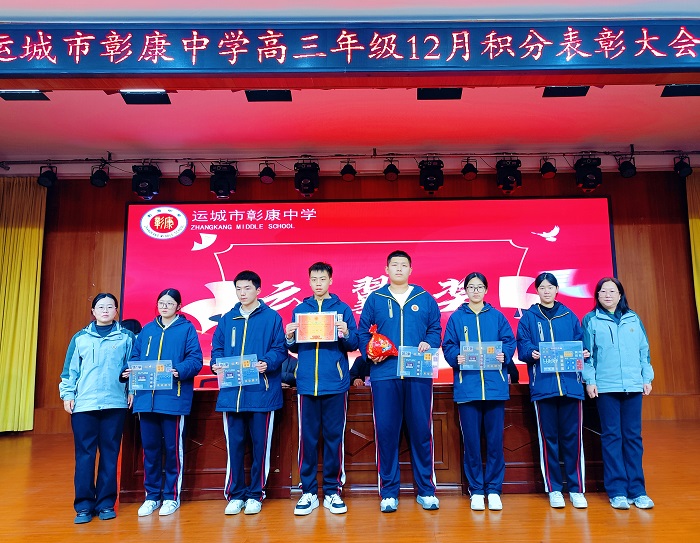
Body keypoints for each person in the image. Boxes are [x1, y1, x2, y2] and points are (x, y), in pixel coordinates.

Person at [358, 250, 442, 513]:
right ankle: (388, 493)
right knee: (386, 433)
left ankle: (426, 491)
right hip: (384, 375)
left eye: (403, 265)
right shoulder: (376, 298)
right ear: (386, 269)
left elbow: (435, 329)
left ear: (410, 270)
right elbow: (362, 332)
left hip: (418, 374)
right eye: (394, 265)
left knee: (421, 432)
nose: (398, 269)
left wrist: (429, 342)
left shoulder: (424, 298)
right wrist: (370, 353)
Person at [210, 271, 287, 516]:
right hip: (232, 394)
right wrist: (216, 363)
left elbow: (280, 349)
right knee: (234, 447)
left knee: (260, 447)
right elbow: (217, 348)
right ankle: (235, 495)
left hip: (261, 393)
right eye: (238, 289)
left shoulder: (272, 318)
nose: (242, 293)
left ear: (258, 290)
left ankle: (256, 494)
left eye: (247, 288)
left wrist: (268, 362)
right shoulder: (227, 319)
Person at [285, 262, 359, 516]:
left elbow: (353, 344)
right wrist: (289, 336)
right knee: (307, 440)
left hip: (335, 384)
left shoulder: (342, 309)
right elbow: (294, 348)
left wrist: (346, 332)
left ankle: (332, 491)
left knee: (333, 439)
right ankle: (308, 492)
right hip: (307, 384)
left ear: (330, 281)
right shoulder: (300, 310)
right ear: (309, 282)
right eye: (314, 279)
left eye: (322, 279)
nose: (318, 283)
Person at [122, 288, 203, 517]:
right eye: (161, 303)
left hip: (173, 398)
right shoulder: (148, 330)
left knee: (172, 450)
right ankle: (152, 496)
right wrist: (128, 370)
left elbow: (195, 360)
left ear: (179, 306)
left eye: (169, 303)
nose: (164, 306)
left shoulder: (186, 329)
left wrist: (178, 370)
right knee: (150, 450)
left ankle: (171, 497)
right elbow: (135, 358)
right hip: (146, 400)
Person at [59, 293, 135, 524]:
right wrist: (67, 394)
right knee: (85, 456)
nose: (105, 311)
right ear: (93, 311)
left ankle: (105, 504)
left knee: (110, 455)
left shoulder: (127, 337)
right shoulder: (80, 338)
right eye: (100, 307)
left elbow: (134, 368)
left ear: (116, 311)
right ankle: (83, 506)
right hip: (85, 405)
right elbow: (69, 371)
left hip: (115, 403)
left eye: (110, 307)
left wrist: (132, 390)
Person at [442, 272, 516, 511]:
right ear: (465, 291)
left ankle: (493, 489)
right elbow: (448, 345)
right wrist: (455, 357)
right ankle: (476, 490)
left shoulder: (497, 316)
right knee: (472, 443)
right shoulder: (456, 318)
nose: (475, 291)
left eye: (479, 287)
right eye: (471, 287)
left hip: (495, 388)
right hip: (468, 388)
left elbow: (509, 341)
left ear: (486, 290)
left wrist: (505, 355)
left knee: (495, 442)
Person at [516, 272, 590, 509]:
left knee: (573, 439)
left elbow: (581, 343)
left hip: (571, 387)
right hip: (544, 387)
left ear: (557, 290)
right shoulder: (528, 318)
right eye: (542, 287)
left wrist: (584, 352)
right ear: (537, 291)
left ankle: (576, 489)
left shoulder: (569, 315)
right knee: (548, 440)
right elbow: (523, 347)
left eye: (550, 287)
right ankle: (554, 489)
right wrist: (531, 353)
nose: (546, 291)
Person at [582, 277, 655, 510]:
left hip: (633, 386)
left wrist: (646, 378)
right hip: (606, 387)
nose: (608, 295)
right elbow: (587, 354)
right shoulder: (591, 320)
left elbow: (644, 351)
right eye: (603, 291)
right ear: (597, 295)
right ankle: (617, 491)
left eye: (612, 291)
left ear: (620, 295)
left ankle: (638, 490)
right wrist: (590, 381)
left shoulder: (633, 318)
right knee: (612, 437)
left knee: (633, 438)